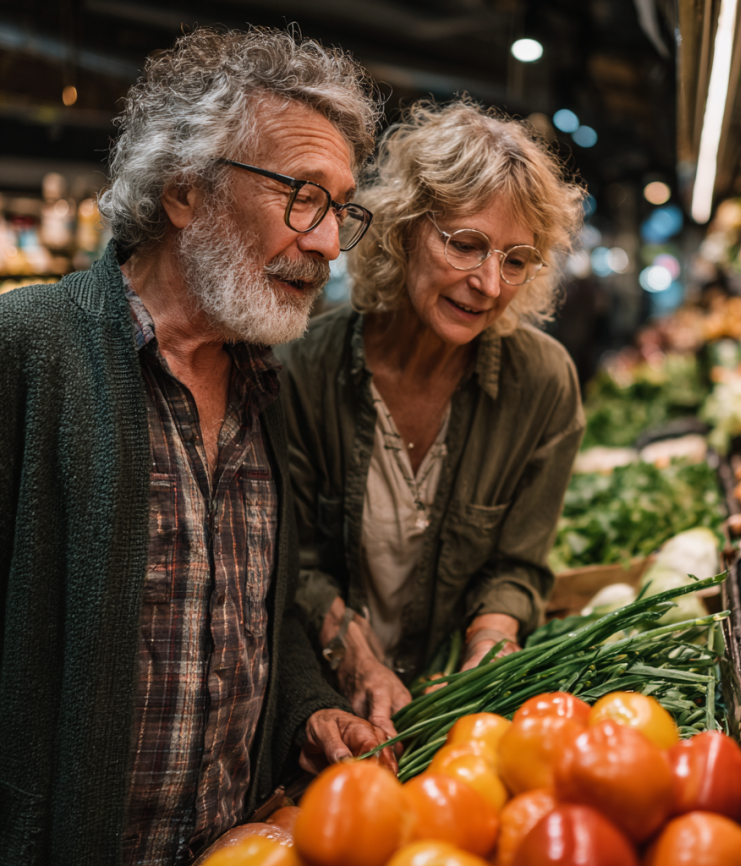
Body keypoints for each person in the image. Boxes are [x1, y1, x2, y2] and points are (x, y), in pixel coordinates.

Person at [0, 26, 395, 866]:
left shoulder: (264, 390)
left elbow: (249, 618)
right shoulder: (30, 349)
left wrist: (306, 706)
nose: (327, 243)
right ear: (185, 192)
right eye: (302, 195)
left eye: (339, 209)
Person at [278, 99, 586, 738]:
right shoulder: (302, 367)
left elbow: (516, 567)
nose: (490, 284)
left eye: (517, 259)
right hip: (320, 707)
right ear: (405, 227)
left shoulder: (544, 385)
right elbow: (293, 562)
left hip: (456, 715)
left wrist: (489, 649)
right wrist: (355, 657)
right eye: (467, 244)